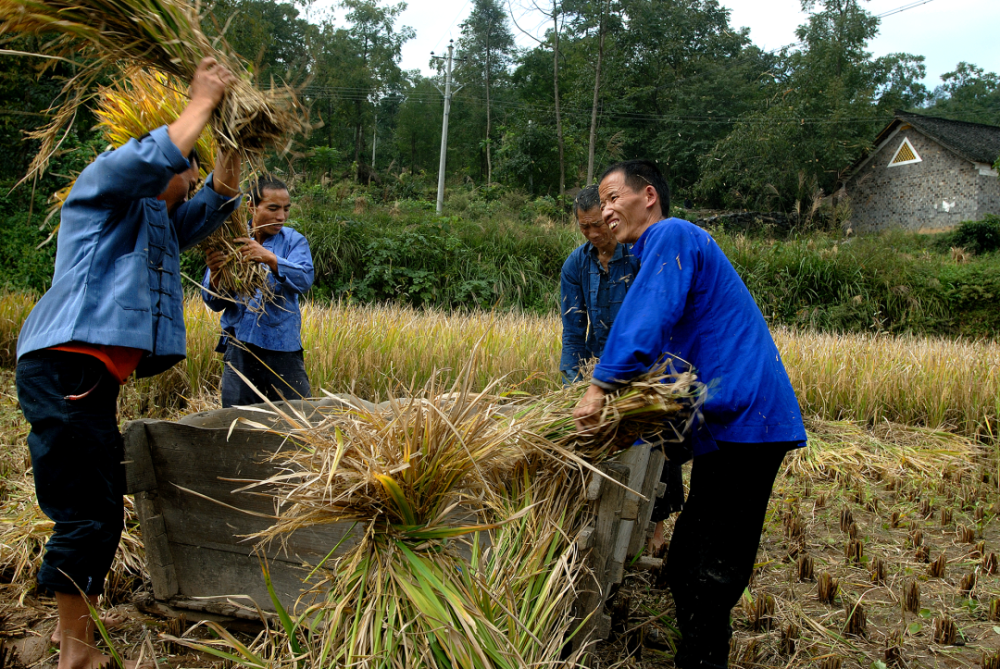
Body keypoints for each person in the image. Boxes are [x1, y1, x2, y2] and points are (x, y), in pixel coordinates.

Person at [15, 58, 241, 669]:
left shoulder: (153, 224)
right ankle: (77, 655)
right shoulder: (103, 191)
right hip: (66, 368)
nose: (191, 178)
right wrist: (199, 103)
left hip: (86, 377)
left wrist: (235, 144)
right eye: (186, 165)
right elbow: (144, 160)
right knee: (87, 510)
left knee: (100, 502)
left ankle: (72, 638)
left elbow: (210, 202)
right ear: (163, 159)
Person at [573, 160, 807, 669]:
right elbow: (666, 357)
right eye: (603, 202)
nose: (607, 210)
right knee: (684, 568)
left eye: (614, 197)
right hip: (724, 423)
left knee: (709, 574)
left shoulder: (672, 235)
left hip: (748, 421)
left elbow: (645, 322)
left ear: (648, 195)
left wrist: (597, 390)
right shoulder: (659, 252)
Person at [201, 176, 314, 408]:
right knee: (237, 418)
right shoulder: (230, 241)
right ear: (251, 206)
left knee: (299, 419)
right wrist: (215, 273)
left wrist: (271, 259)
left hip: (283, 347)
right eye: (273, 208)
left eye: (285, 209)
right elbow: (212, 302)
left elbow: (304, 280)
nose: (281, 216)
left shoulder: (294, 241)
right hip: (240, 346)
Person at [559, 185, 640, 383]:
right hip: (596, 367)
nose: (592, 233)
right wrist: (573, 384)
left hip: (640, 366)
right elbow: (573, 332)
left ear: (609, 215)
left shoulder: (639, 254)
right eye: (585, 227)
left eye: (598, 224)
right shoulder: (575, 265)